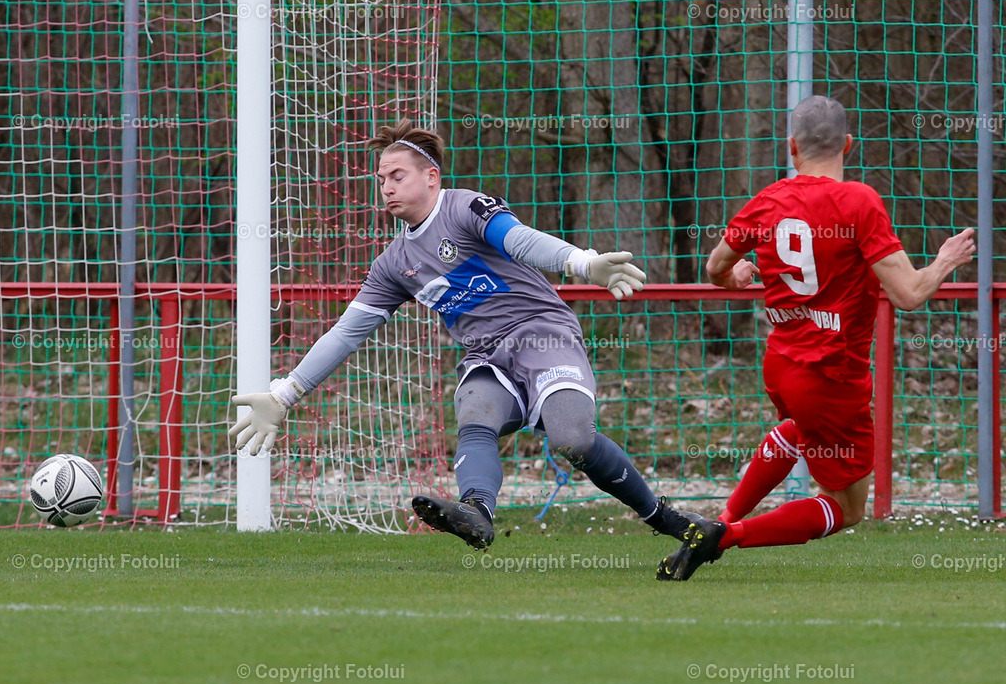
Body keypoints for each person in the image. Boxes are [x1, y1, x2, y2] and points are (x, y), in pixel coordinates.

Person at [230, 119, 695, 550]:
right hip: (486, 355)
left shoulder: (465, 206)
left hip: (541, 335)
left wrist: (583, 263)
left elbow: (520, 240)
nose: (386, 187)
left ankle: (666, 520)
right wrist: (285, 393)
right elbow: (347, 334)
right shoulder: (393, 264)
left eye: (396, 176)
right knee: (474, 415)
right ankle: (477, 512)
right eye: (380, 179)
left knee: (572, 440)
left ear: (431, 177)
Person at [658, 95, 977, 581]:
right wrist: (945, 261)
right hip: (831, 378)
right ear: (849, 144)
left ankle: (718, 522)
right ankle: (727, 535)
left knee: (799, 432)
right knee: (847, 509)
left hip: (781, 368)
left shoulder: (768, 201)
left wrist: (739, 276)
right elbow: (909, 294)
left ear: (791, 148)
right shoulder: (858, 201)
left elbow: (715, 266)